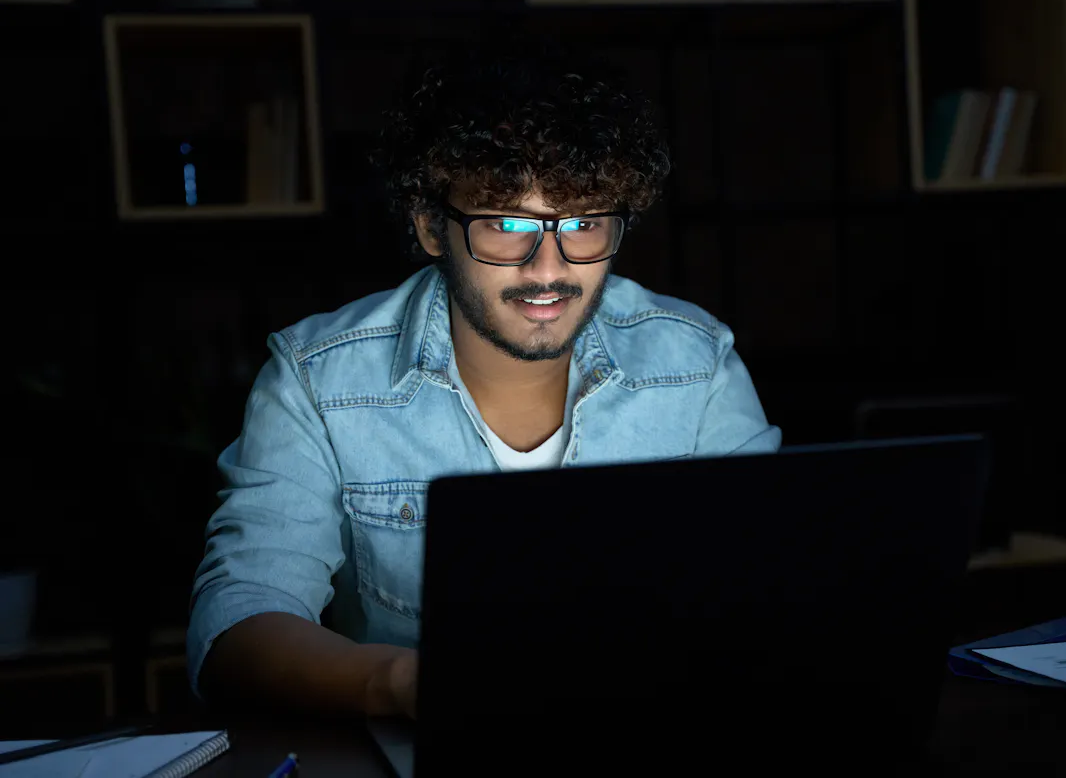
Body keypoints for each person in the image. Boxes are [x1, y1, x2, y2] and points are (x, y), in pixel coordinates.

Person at [186, 39, 781, 720]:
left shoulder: (695, 365)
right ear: (431, 228)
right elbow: (237, 623)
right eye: (506, 224)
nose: (548, 268)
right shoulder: (316, 381)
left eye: (583, 224)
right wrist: (408, 686)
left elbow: (776, 586)